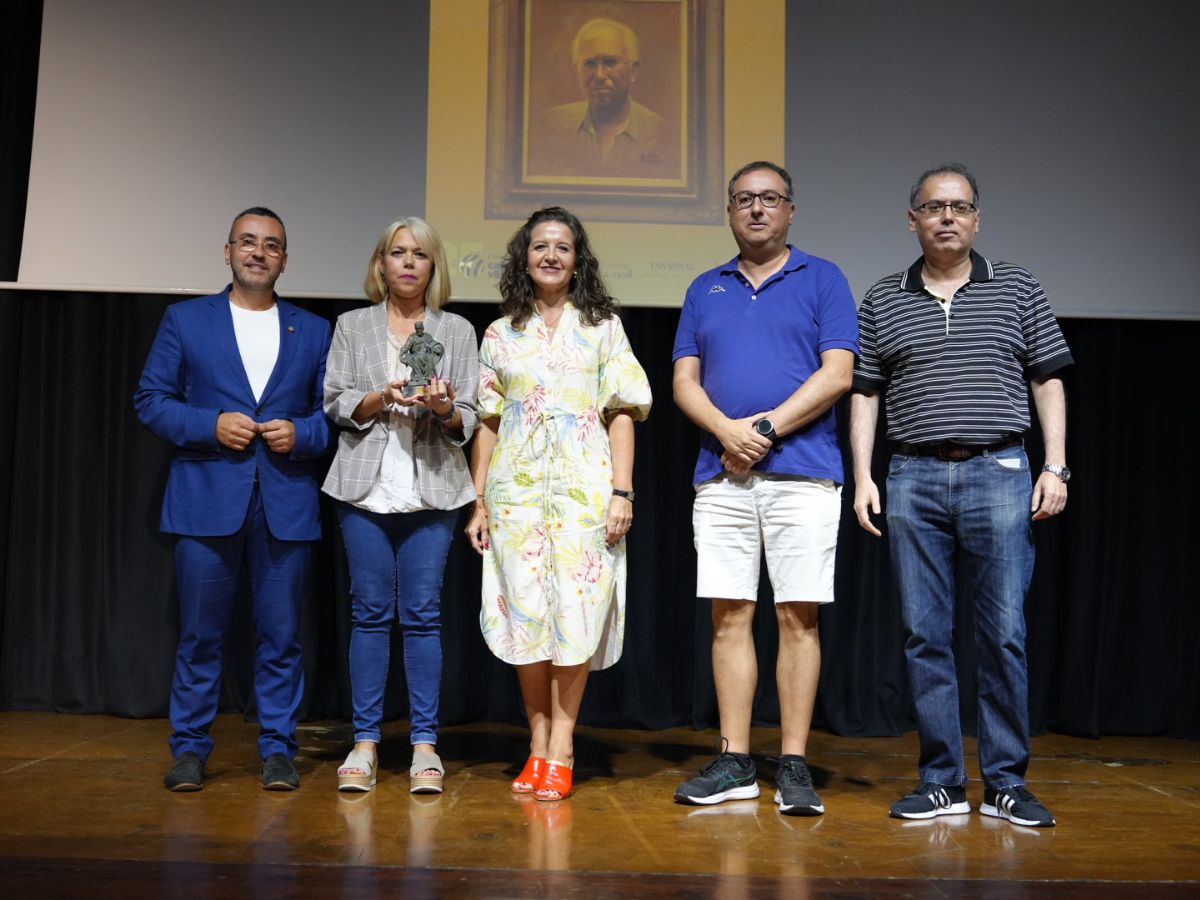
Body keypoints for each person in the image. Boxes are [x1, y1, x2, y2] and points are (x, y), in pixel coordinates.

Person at [849, 163, 1073, 828]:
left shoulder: (1018, 289)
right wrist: (864, 475)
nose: (947, 217)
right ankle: (941, 780)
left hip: (998, 471)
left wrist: (1055, 466)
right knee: (925, 636)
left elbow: (1048, 381)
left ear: (977, 220)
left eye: (959, 207)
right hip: (912, 476)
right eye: (933, 207)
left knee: (1003, 634)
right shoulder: (883, 297)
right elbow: (865, 391)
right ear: (912, 219)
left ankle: (1005, 782)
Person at [671, 161, 859, 816]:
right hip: (722, 476)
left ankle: (796, 763)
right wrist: (728, 433)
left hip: (803, 474)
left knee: (796, 616)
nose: (756, 209)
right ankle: (735, 761)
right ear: (728, 211)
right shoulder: (705, 287)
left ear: (790, 210)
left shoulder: (824, 278)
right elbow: (683, 383)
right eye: (744, 200)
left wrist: (765, 430)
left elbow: (838, 374)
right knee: (729, 617)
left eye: (769, 199)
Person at [134, 206, 332, 792]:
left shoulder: (313, 329)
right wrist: (209, 424)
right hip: (205, 500)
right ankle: (190, 749)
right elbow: (151, 400)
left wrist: (303, 435)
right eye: (247, 242)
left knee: (282, 637)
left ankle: (278, 749)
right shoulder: (186, 319)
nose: (258, 252)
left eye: (271, 245)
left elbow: (332, 418)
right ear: (227, 251)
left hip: (285, 503)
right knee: (200, 635)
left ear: (285, 260)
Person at [464, 206, 651, 802]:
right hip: (514, 496)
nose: (550, 255)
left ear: (578, 260)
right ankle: (536, 742)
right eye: (540, 246)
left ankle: (563, 745)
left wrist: (622, 490)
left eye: (562, 247)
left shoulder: (603, 327)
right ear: (524, 257)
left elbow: (623, 411)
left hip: (583, 495)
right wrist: (479, 501)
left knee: (574, 615)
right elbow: (487, 421)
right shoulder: (500, 333)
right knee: (525, 617)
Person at [322, 217, 478, 794]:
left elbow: (471, 417)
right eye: (397, 253)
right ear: (381, 263)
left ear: (434, 267)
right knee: (368, 613)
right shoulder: (352, 325)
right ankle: (364, 743)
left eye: (420, 255)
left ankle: (423, 744)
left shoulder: (457, 330)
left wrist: (442, 408)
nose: (408, 263)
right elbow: (334, 403)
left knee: (422, 615)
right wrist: (375, 397)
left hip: (432, 490)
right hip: (363, 490)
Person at [528, 17, 676, 179]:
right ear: (577, 70)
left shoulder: (660, 132)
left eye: (610, 62)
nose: (599, 75)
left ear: (633, 71)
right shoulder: (551, 125)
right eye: (589, 64)